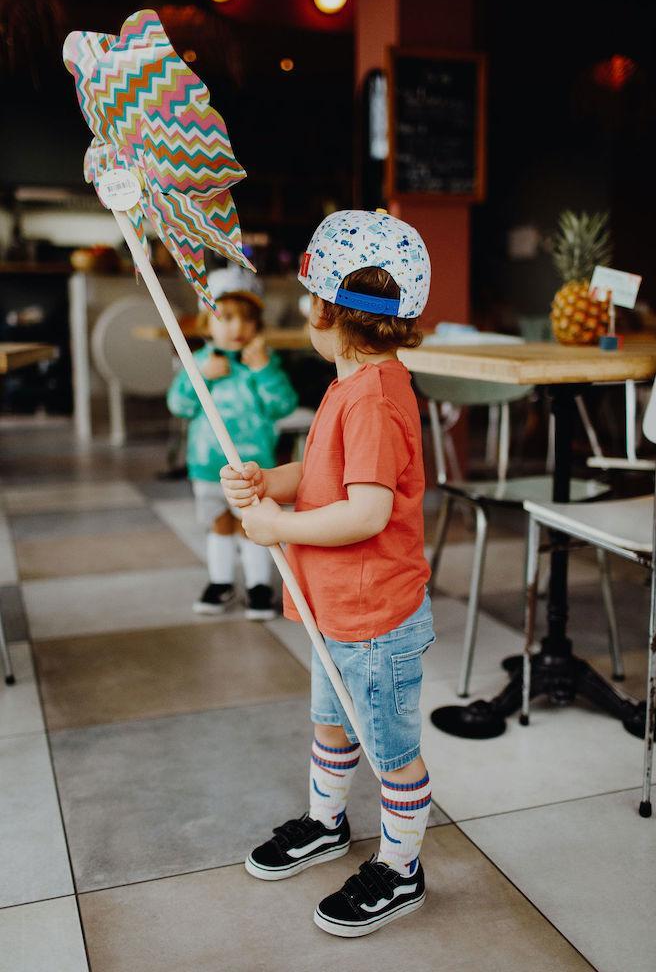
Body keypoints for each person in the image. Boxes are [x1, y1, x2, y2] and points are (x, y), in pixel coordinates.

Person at [221, 210, 435, 937]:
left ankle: (402, 869)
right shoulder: (353, 385)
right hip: (337, 609)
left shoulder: (371, 400)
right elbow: (323, 478)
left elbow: (365, 513)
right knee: (330, 722)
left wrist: (276, 529)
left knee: (391, 751)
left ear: (324, 312)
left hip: (374, 620)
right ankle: (327, 824)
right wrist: (271, 482)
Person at [168, 265, 298, 619]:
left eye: (246, 319)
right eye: (224, 317)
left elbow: (282, 405)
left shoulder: (261, 363)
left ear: (258, 324)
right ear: (205, 323)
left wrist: (264, 371)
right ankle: (221, 581)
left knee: (253, 525)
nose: (237, 327)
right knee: (219, 522)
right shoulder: (199, 363)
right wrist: (202, 380)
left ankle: (259, 586)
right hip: (207, 464)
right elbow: (178, 405)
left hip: (254, 467)